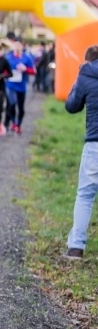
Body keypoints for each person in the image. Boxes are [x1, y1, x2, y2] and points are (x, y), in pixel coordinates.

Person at [64, 45, 98, 259]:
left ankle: (76, 248)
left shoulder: (86, 75)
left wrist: (79, 79)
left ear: (88, 60)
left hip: (95, 143)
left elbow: (72, 106)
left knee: (85, 195)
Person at [4, 38, 36, 135]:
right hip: (10, 85)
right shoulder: (8, 57)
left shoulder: (27, 58)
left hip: (21, 86)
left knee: (21, 107)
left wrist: (25, 69)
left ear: (22, 46)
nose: (17, 47)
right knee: (12, 104)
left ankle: (18, 125)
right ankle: (13, 123)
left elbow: (34, 71)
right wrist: (6, 74)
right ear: (13, 46)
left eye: (19, 45)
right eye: (15, 45)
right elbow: (3, 70)